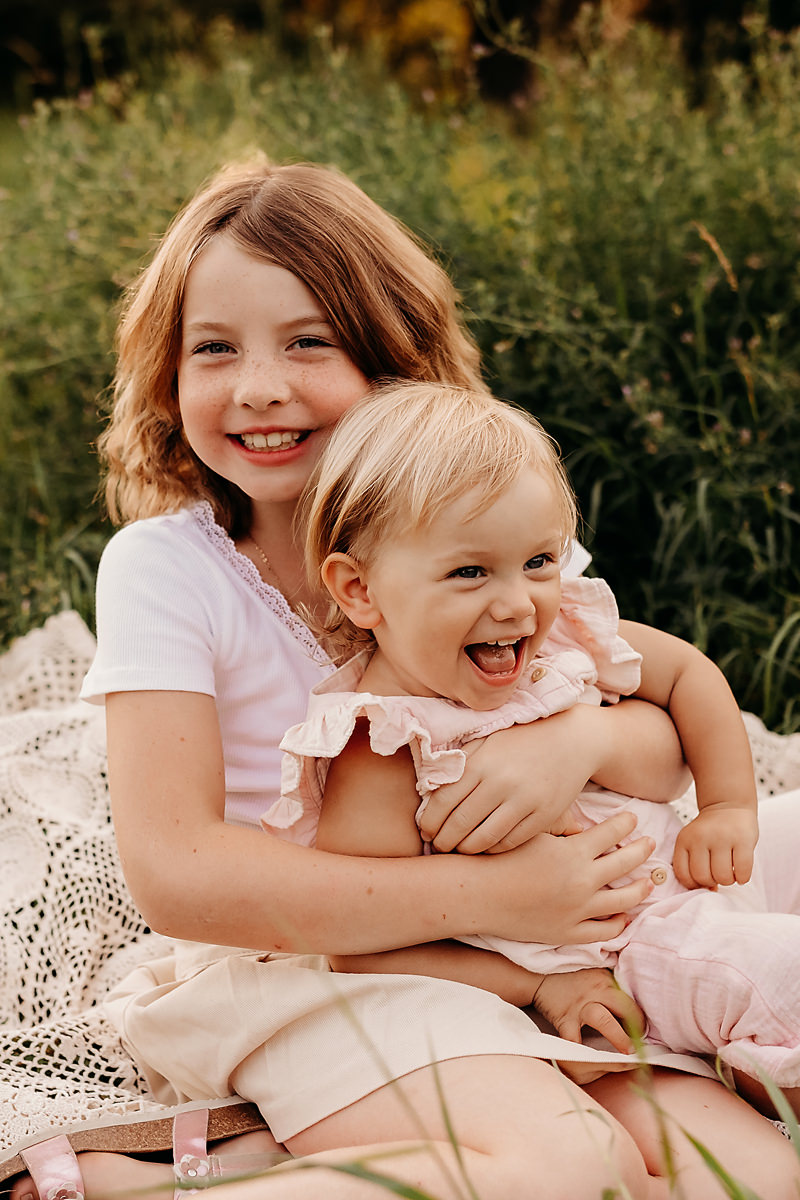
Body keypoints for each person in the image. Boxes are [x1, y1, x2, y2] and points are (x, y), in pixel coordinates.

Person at [5, 159, 796, 1200]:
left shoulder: (474, 521)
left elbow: (645, 729)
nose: (257, 387)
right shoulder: (168, 566)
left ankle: (280, 1151)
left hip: (553, 929)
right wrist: (507, 899)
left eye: (308, 343)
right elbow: (179, 874)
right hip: (321, 956)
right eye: (213, 350)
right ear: (166, 375)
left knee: (742, 1174)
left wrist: (577, 746)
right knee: (572, 1164)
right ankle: (169, 1186)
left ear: (393, 361)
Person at [274, 377, 800, 1125]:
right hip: (636, 942)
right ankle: (758, 1047)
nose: (518, 603)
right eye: (469, 571)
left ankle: (752, 1040)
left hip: (689, 866)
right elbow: (366, 947)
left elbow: (687, 674)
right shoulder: (384, 744)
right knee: (782, 971)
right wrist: (539, 988)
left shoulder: (556, 639)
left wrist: (726, 806)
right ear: (360, 590)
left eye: (540, 562)